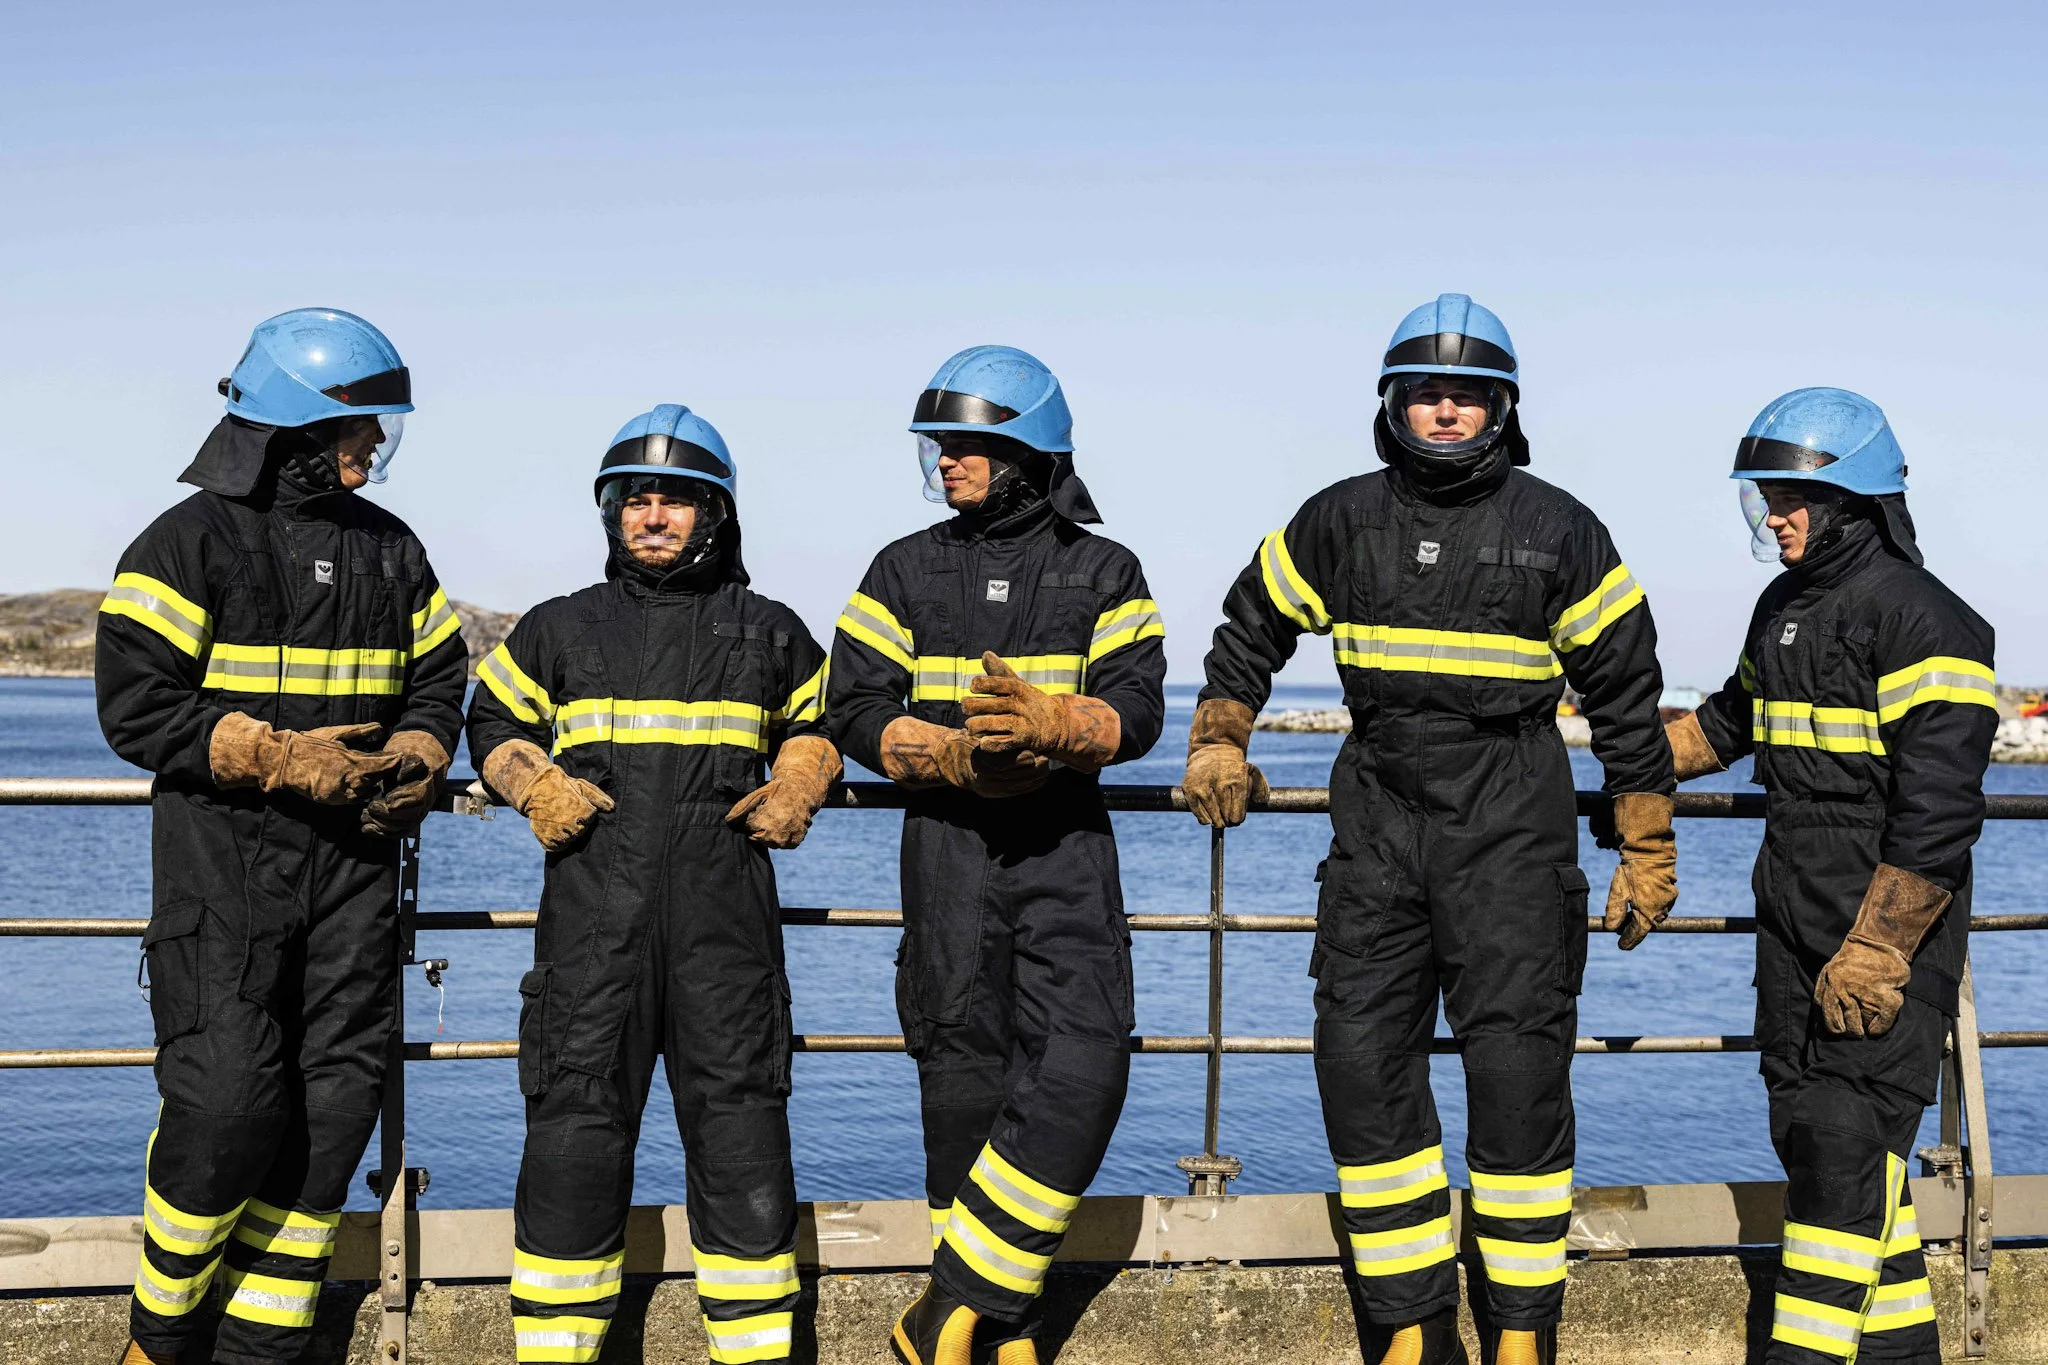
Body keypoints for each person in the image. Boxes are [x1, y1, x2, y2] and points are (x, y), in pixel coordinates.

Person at [1184, 295, 1677, 1365]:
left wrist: (1645, 843)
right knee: (1358, 1063)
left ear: (1501, 408)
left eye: (1464, 395)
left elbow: (1626, 695)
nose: (1443, 411)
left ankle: (1518, 1333)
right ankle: (1409, 1323)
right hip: (1376, 822)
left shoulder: (1558, 529)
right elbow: (1245, 630)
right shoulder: (1337, 519)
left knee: (1516, 1080)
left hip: (1512, 826)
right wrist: (1218, 737)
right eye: (1423, 394)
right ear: (1391, 405)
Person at [98, 308, 464, 1365]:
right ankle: (158, 1344)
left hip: (353, 881)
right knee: (221, 1107)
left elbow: (441, 682)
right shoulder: (183, 545)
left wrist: (421, 757)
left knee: (332, 1117)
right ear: (298, 425)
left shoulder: (391, 550)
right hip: (225, 879)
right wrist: (275, 755)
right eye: (361, 428)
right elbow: (135, 709)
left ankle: (261, 1352)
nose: (375, 448)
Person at [466, 404, 839, 1365]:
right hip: (594, 939)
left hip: (727, 944)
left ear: (716, 513)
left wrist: (801, 775)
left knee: (745, 1145)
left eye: (675, 498)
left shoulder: (768, 631)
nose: (654, 515)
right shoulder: (557, 630)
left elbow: (827, 721)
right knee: (571, 1146)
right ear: (609, 513)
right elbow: (491, 720)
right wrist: (530, 780)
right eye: (636, 497)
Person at [827, 346, 1165, 1365]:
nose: (946, 463)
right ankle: (994, 1333)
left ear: (1030, 451)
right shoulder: (901, 568)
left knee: (1085, 1059)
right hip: (944, 852)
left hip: (1062, 847)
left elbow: (1139, 710)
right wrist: (937, 753)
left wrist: (1060, 727)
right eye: (939, 446)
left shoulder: (1105, 571)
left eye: (966, 445)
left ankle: (945, 1309)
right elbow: (850, 705)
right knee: (960, 1084)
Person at [1666, 388, 1995, 1365]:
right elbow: (1727, 723)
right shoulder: (1782, 607)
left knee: (1838, 1167)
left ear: (1848, 499)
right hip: (1791, 920)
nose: (1770, 514)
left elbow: (1937, 812)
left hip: (1880, 931)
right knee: (1813, 1144)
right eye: (1761, 496)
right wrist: (1630, 760)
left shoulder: (1925, 621)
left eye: (1786, 497)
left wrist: (1880, 946)